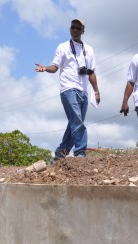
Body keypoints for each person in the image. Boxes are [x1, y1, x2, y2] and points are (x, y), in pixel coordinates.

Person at [35, 18, 100, 159]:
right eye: (73, 27)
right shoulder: (63, 47)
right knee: (77, 122)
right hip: (68, 89)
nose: (75, 30)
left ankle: (61, 153)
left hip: (83, 91)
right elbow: (55, 67)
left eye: (78, 28)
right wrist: (45, 68)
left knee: (75, 123)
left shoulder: (88, 49)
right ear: (70, 29)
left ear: (83, 30)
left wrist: (96, 91)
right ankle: (80, 152)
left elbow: (91, 72)